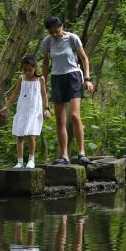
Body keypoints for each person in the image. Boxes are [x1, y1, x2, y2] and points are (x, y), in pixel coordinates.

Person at [40, 17, 94, 165]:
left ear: (62, 27)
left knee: (75, 115)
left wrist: (87, 78)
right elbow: (45, 63)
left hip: (74, 76)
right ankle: (64, 155)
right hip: (57, 78)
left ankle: (82, 153)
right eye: (52, 32)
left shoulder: (72, 38)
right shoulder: (48, 42)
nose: (55, 34)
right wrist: (43, 81)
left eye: (57, 31)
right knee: (60, 119)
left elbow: (84, 58)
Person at [0, 54, 51, 168]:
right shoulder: (21, 78)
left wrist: (46, 108)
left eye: (30, 70)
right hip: (22, 110)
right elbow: (15, 94)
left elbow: (44, 95)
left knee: (31, 135)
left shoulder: (40, 79)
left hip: (34, 111)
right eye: (25, 70)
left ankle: (31, 160)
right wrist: (7, 106)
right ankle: (20, 161)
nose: (27, 72)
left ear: (35, 67)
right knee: (20, 135)